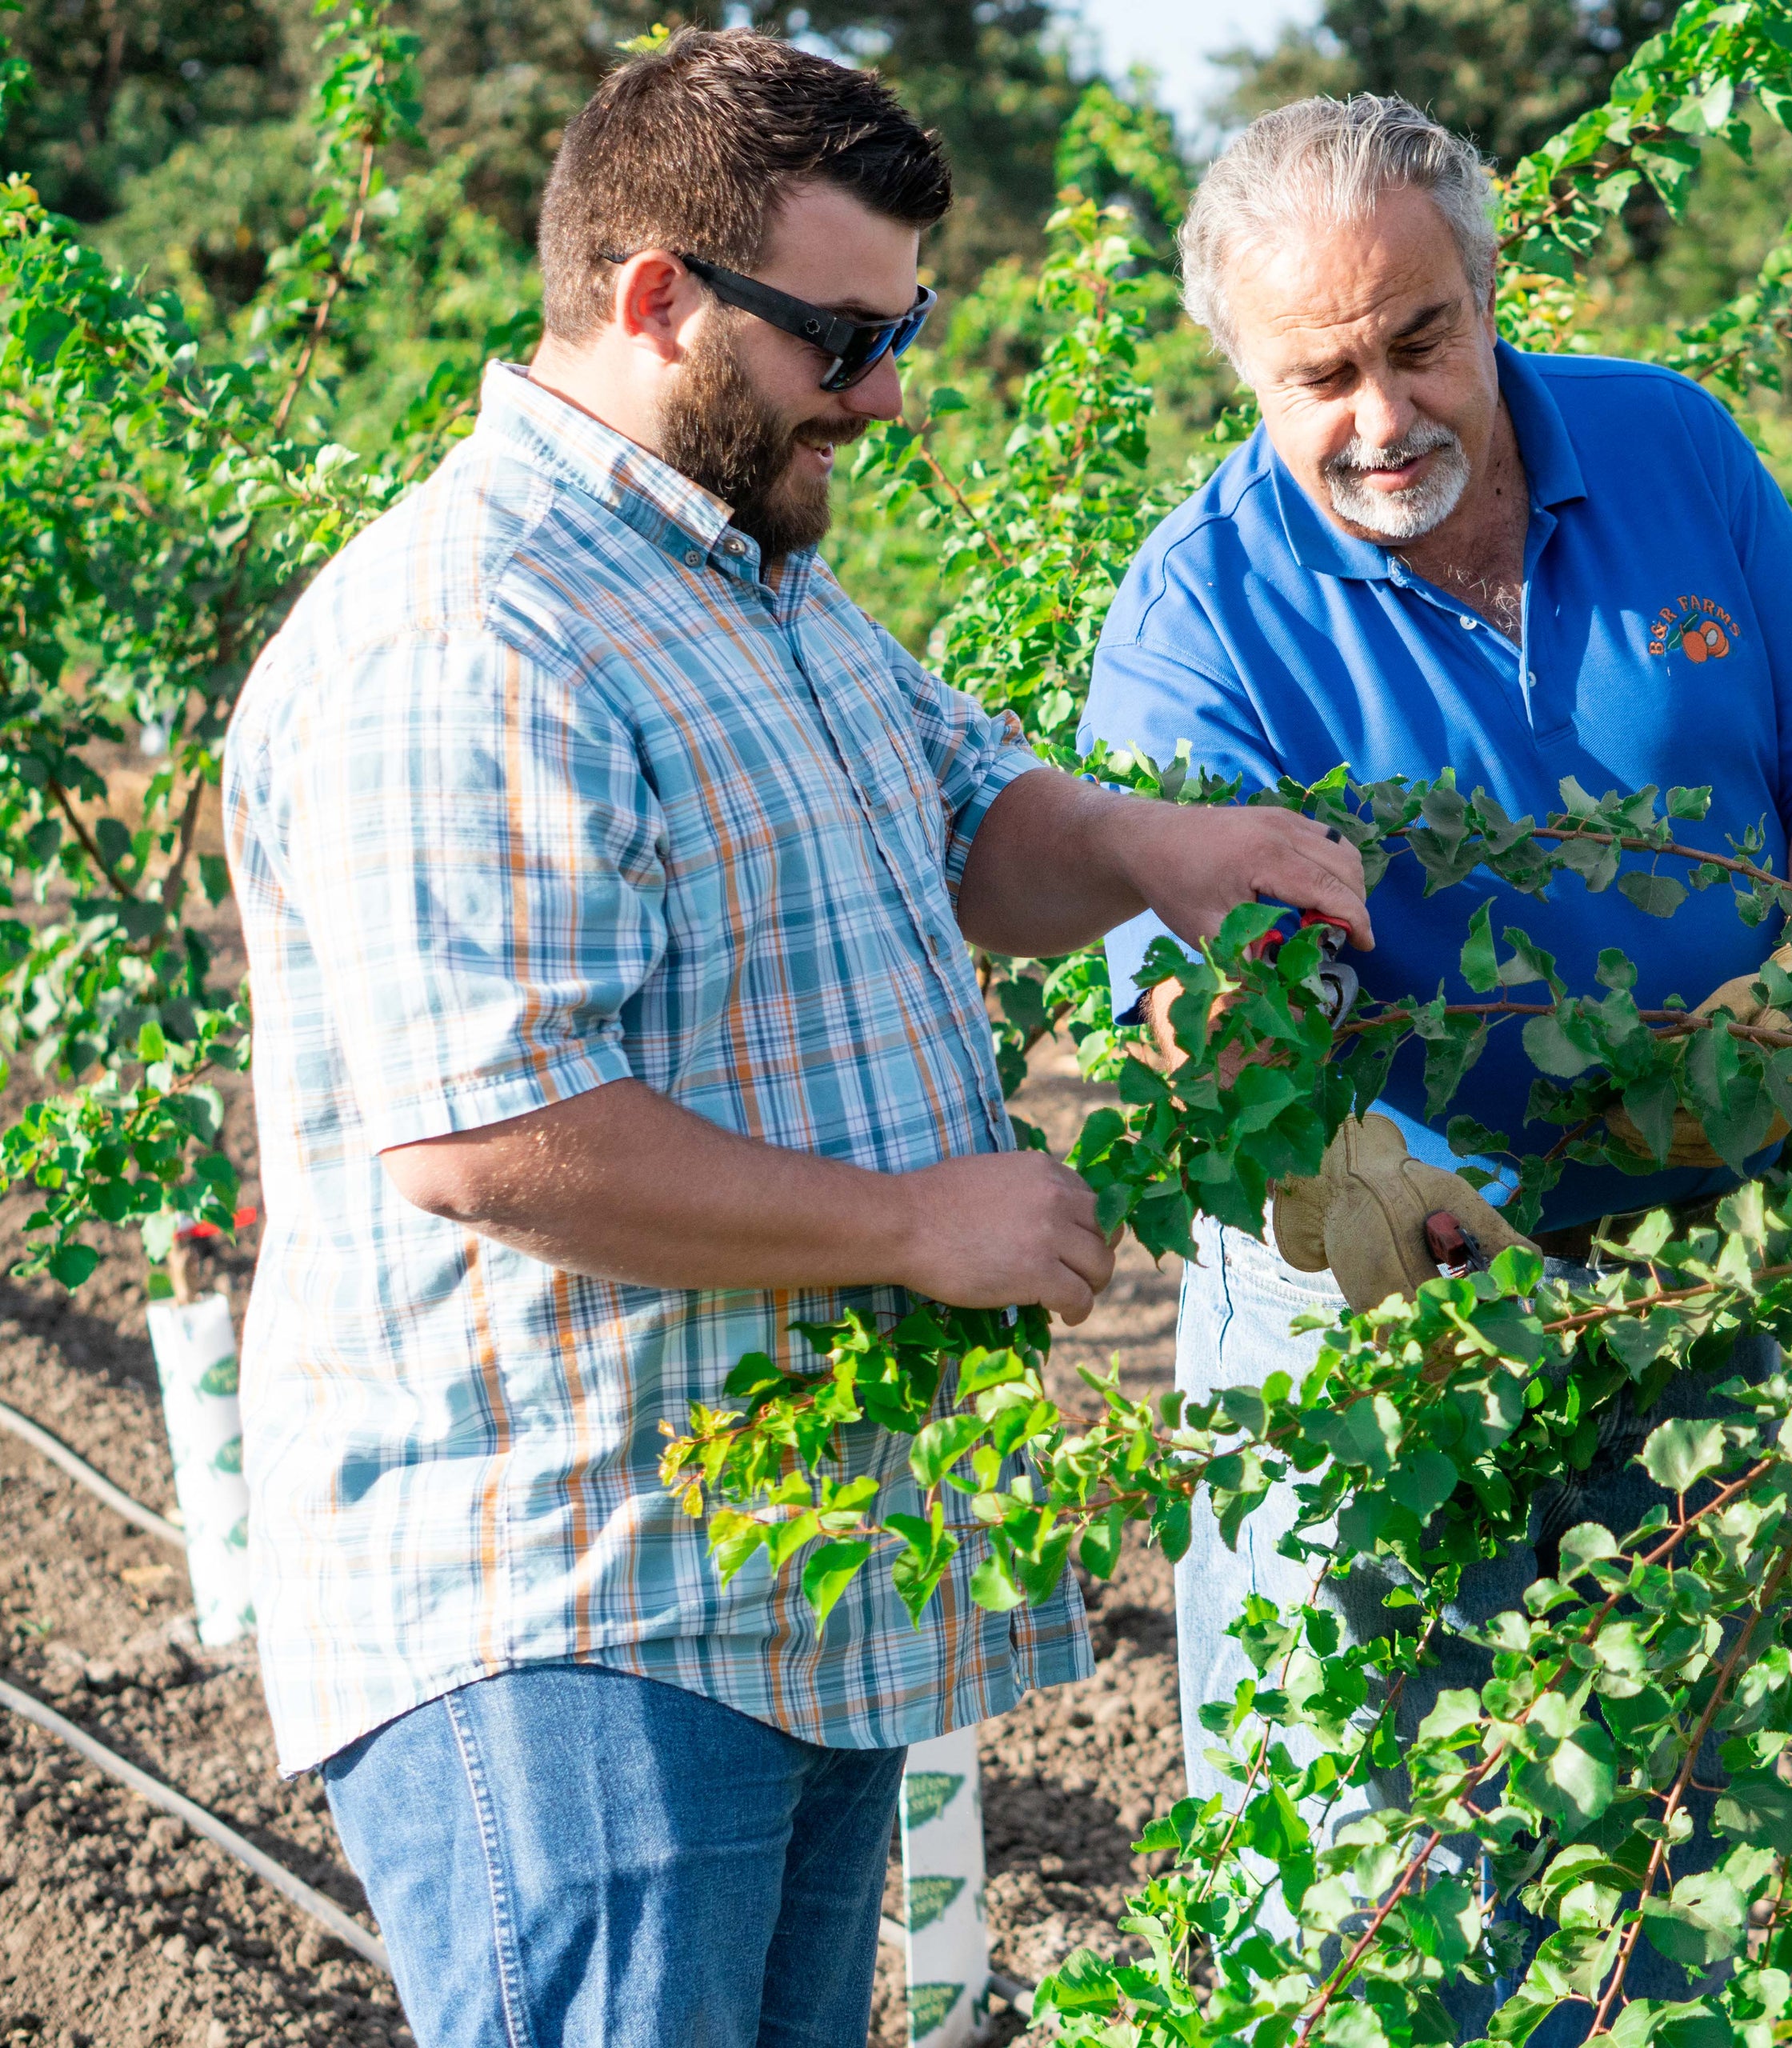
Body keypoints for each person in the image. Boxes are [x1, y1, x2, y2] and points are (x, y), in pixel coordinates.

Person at [222, 33, 1371, 2048]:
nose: (890, 389)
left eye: (902, 326)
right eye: (843, 335)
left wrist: (1150, 842)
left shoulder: (756, 585)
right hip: (580, 1601)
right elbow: (491, 1134)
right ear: (658, 299)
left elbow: (971, 823)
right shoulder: (474, 627)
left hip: (797, 1576)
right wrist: (918, 1221)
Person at [1078, 94, 1792, 2034]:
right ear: (1246, 377)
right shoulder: (1197, 610)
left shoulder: (1669, 447)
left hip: (1714, 1281)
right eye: (1322, 377)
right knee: (1380, 1863)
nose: (1382, 417)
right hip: (1383, 1310)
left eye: (1419, 342)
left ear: (1491, 290)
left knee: (1690, 1834)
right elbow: (1202, 999)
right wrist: (1359, 1168)